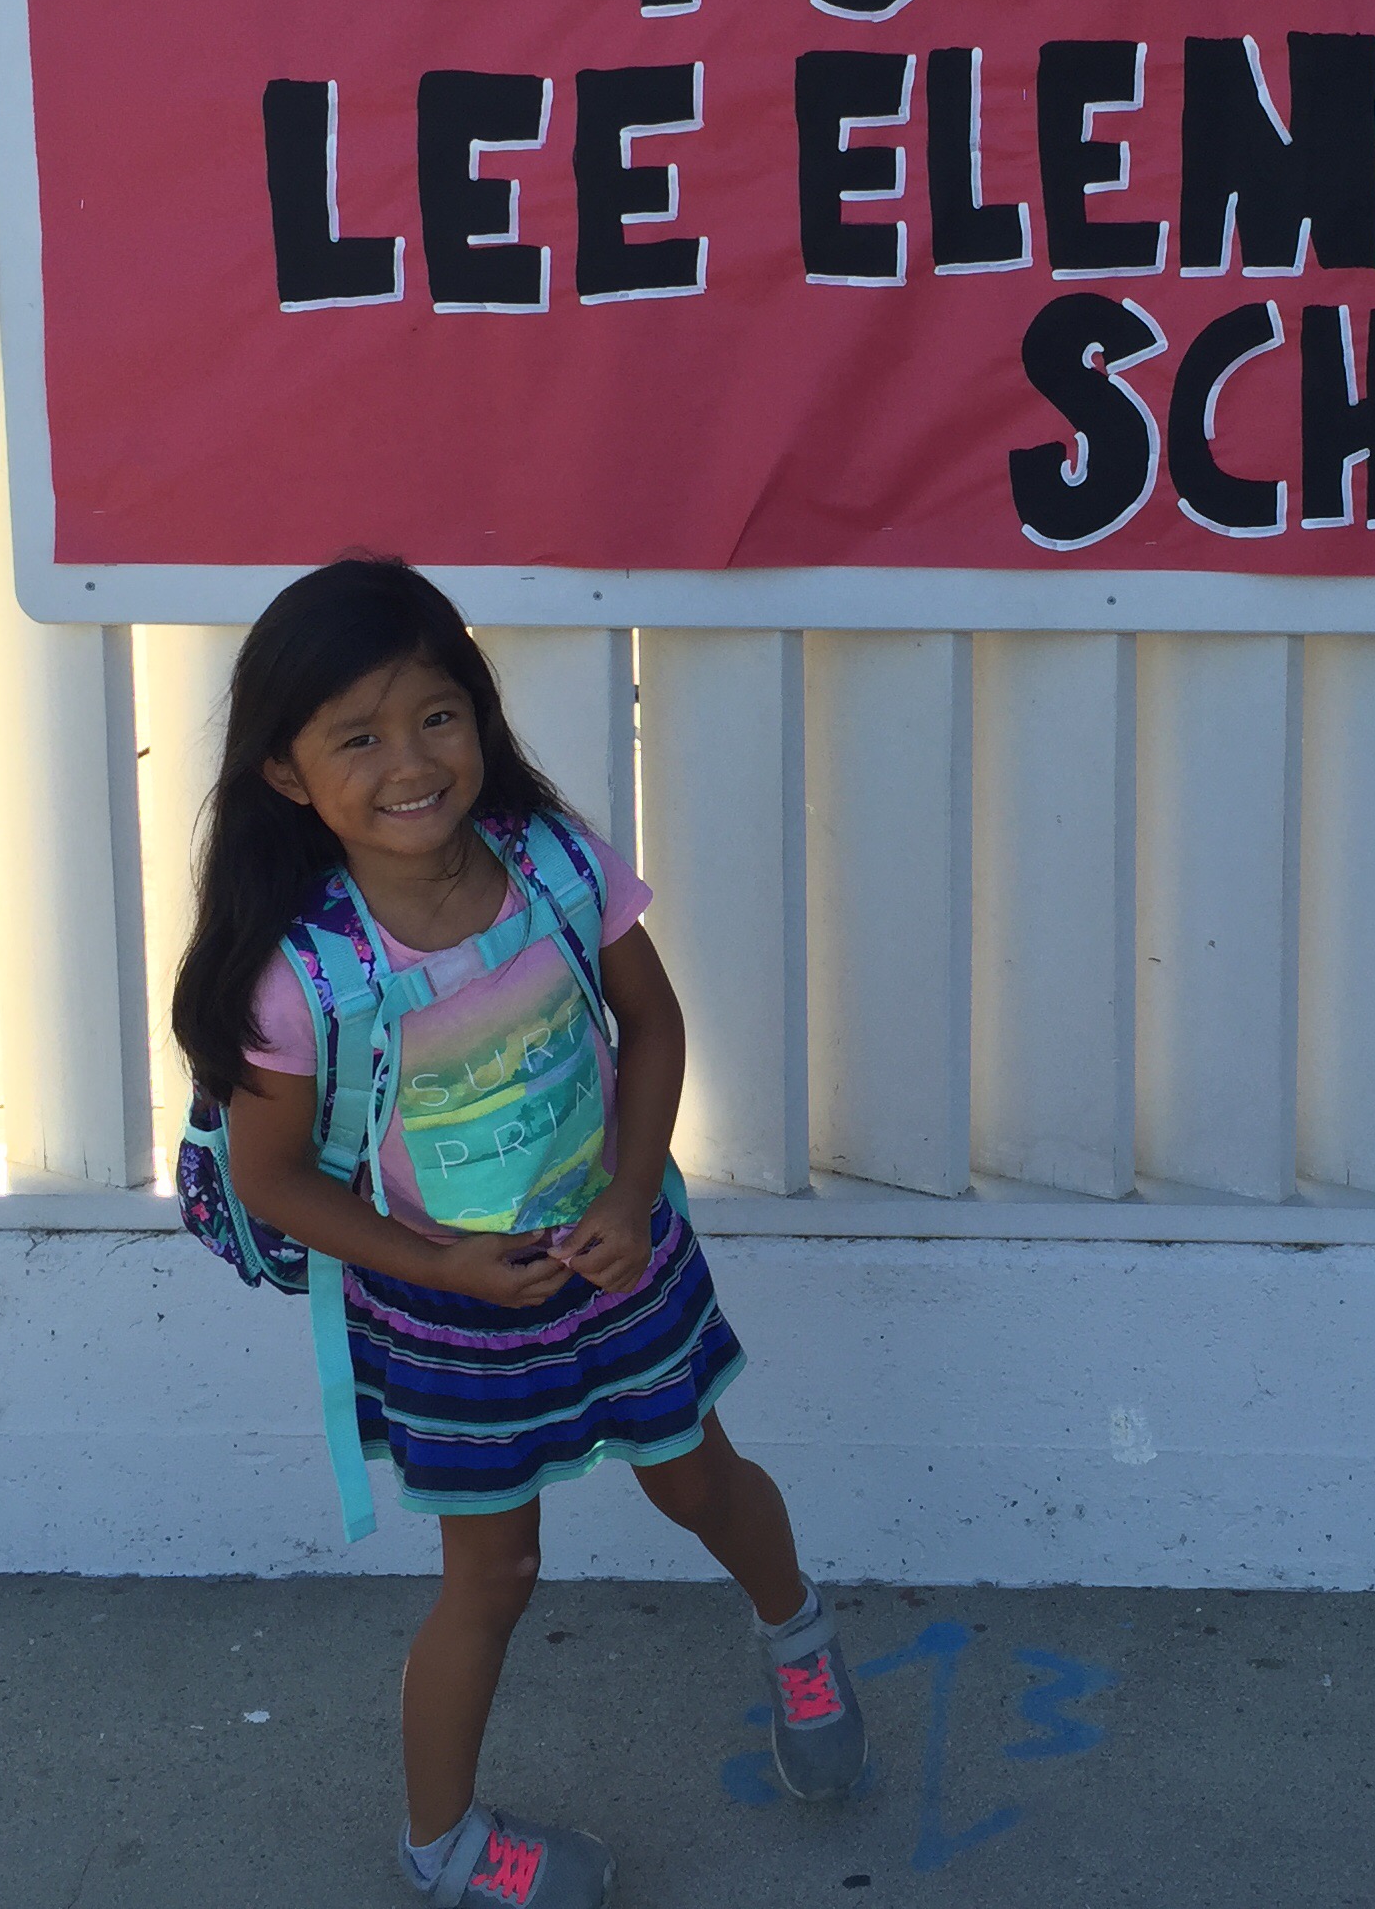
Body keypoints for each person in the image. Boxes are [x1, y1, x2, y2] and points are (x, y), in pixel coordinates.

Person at [171, 557, 864, 1907]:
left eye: (437, 716)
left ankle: (800, 1635)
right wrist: (439, 1266)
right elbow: (275, 1183)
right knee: (494, 1574)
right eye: (357, 738)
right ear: (286, 775)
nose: (410, 761)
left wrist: (627, 1194)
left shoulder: (553, 863)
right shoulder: (299, 979)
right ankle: (440, 1847)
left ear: (478, 716)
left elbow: (651, 1023)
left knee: (700, 1480)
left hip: (622, 1260)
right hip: (449, 1311)